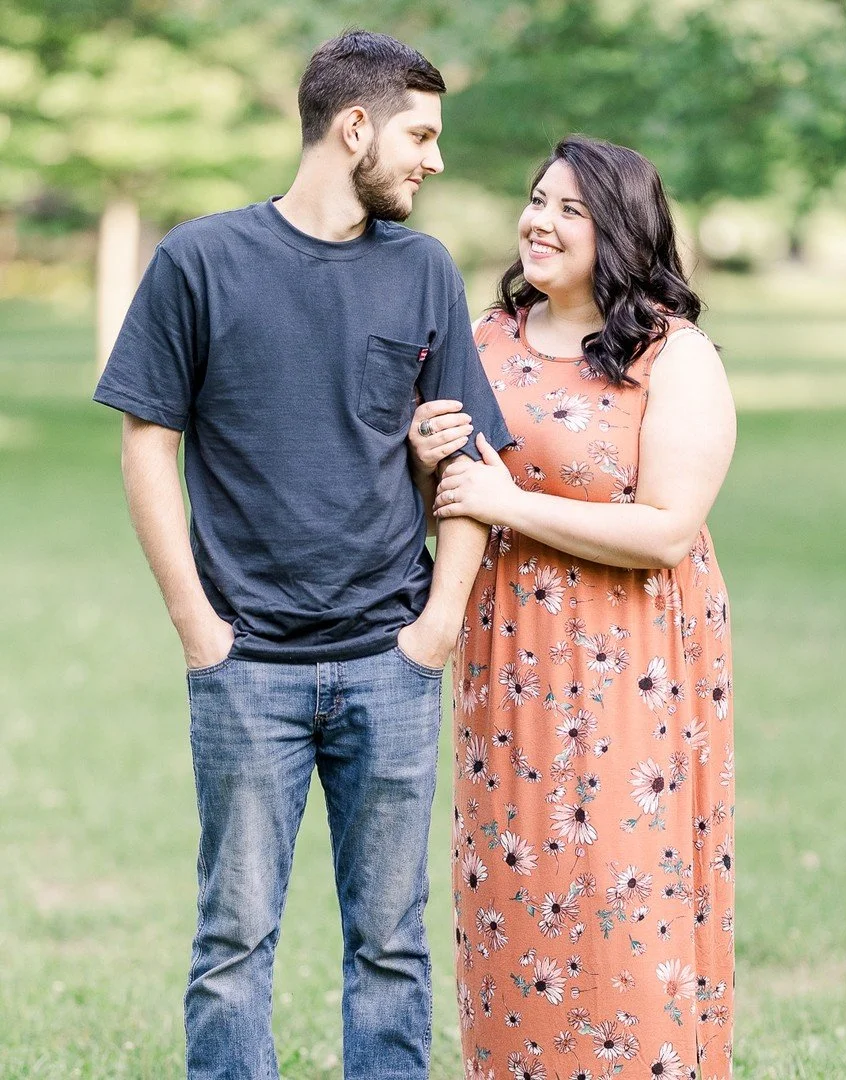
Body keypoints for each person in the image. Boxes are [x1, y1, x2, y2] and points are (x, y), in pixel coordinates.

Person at [92, 30, 511, 1080]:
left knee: (393, 946)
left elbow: (466, 461)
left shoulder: (421, 269)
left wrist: (437, 625)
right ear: (353, 126)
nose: (434, 159)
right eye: (420, 134)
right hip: (247, 672)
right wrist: (196, 623)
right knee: (232, 945)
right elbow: (149, 441)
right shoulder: (201, 259)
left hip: (391, 662)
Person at [409, 135, 737, 1080]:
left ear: (620, 232)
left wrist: (508, 503)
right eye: (536, 199)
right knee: (514, 890)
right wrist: (423, 449)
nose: (539, 222)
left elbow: (670, 530)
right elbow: (442, 494)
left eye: (570, 210)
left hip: (631, 665)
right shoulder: (486, 337)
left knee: (621, 899)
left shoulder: (675, 357)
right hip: (508, 668)